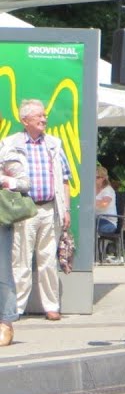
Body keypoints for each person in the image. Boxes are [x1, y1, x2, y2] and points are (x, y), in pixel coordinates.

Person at [6, 99, 70, 321]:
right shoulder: (10, 144)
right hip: (24, 210)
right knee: (21, 260)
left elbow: (65, 180)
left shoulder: (54, 144)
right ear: (25, 120)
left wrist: (66, 210)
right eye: (39, 116)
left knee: (48, 260)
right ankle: (16, 308)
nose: (44, 119)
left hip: (50, 209)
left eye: (44, 115)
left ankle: (51, 306)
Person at [0, 142, 28, 345]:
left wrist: (3, 179)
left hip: (0, 220)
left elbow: (25, 183)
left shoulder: (5, 151)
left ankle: (6, 322)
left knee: (2, 272)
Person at [94, 164, 117, 235]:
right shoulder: (92, 189)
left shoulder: (108, 190)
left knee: (88, 226)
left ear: (103, 178)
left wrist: (89, 202)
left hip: (108, 222)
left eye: (97, 177)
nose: (94, 179)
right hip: (95, 219)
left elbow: (104, 204)